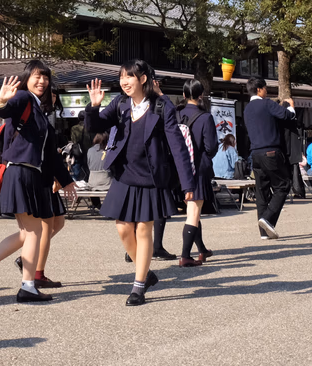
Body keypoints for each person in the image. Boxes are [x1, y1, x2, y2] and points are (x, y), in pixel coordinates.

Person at [84, 60, 195, 306]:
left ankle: (138, 286)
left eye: (129, 76)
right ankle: (145, 272)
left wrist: (188, 184)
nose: (124, 81)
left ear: (143, 79)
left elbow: (177, 147)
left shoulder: (161, 106)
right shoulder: (121, 104)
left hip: (151, 177)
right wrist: (93, 107)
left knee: (144, 230)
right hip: (124, 174)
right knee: (123, 228)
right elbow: (96, 126)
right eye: (122, 77)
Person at [0, 60, 77, 304]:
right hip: (20, 173)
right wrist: (2, 101)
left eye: (45, 77)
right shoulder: (24, 99)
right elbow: (5, 110)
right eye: (37, 76)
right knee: (35, 231)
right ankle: (27, 286)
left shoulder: (39, 112)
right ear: (27, 78)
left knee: (28, 232)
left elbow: (50, 155)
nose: (42, 81)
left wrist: (67, 181)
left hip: (31, 175)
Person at [243, 77, 296, 240]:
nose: (267, 91)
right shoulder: (266, 104)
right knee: (283, 186)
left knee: (262, 191)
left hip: (255, 154)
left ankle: (264, 232)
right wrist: (291, 107)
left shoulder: (247, 109)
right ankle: (267, 219)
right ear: (259, 89)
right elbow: (287, 116)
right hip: (271, 151)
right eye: (265, 88)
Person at [176, 79, 218, 267]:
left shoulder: (176, 115)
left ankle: (201, 249)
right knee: (193, 211)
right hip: (198, 167)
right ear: (200, 95)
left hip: (179, 168)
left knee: (194, 210)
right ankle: (185, 256)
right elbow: (211, 148)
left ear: (184, 95)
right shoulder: (205, 117)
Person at [69, 111, 92, 181]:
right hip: (88, 151)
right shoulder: (90, 127)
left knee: (76, 167)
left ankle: (76, 181)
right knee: (88, 168)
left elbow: (74, 141)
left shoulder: (74, 128)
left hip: (78, 151)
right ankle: (88, 181)